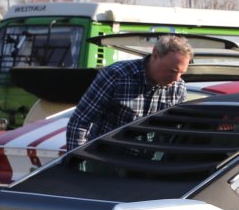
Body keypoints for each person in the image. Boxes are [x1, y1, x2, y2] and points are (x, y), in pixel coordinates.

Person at [65, 36, 194, 151]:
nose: (176, 78)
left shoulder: (178, 87)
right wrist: (77, 161)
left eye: (181, 73)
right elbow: (80, 121)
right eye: (172, 71)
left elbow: (177, 131)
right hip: (105, 159)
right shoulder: (116, 76)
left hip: (150, 163)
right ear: (155, 55)